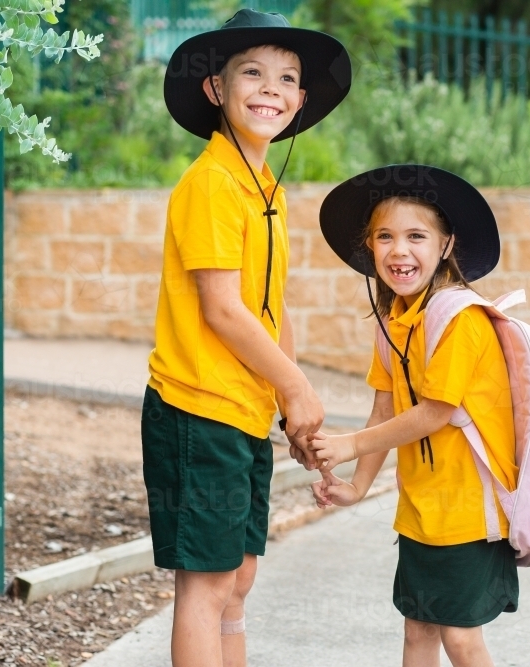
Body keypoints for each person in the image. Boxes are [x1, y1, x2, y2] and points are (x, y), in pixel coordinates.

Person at [143, 9, 350, 667]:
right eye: (252, 73)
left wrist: (289, 403)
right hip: (197, 409)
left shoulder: (265, 189)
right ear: (215, 89)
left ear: (301, 100)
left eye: (287, 78)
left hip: (244, 411)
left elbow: (269, 303)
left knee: (238, 580)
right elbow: (223, 310)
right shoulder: (210, 183)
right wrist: (296, 382)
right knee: (204, 587)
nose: (271, 89)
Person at [303, 165, 519, 667]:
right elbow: (385, 407)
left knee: (461, 641)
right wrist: (356, 487)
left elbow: (437, 412)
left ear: (446, 245)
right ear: (370, 246)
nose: (399, 251)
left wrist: (349, 444)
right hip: (421, 511)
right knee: (418, 632)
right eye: (385, 237)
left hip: (470, 515)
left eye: (416, 236)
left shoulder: (461, 318)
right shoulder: (394, 320)